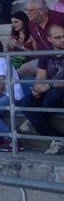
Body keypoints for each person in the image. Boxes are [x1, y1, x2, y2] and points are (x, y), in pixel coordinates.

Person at [17, 24, 64, 155]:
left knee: (52, 94)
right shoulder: (46, 55)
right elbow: (40, 78)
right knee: (24, 103)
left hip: (58, 90)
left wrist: (49, 86)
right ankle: (57, 137)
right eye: (58, 37)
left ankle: (35, 119)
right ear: (50, 39)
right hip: (49, 90)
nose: (63, 40)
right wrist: (36, 90)